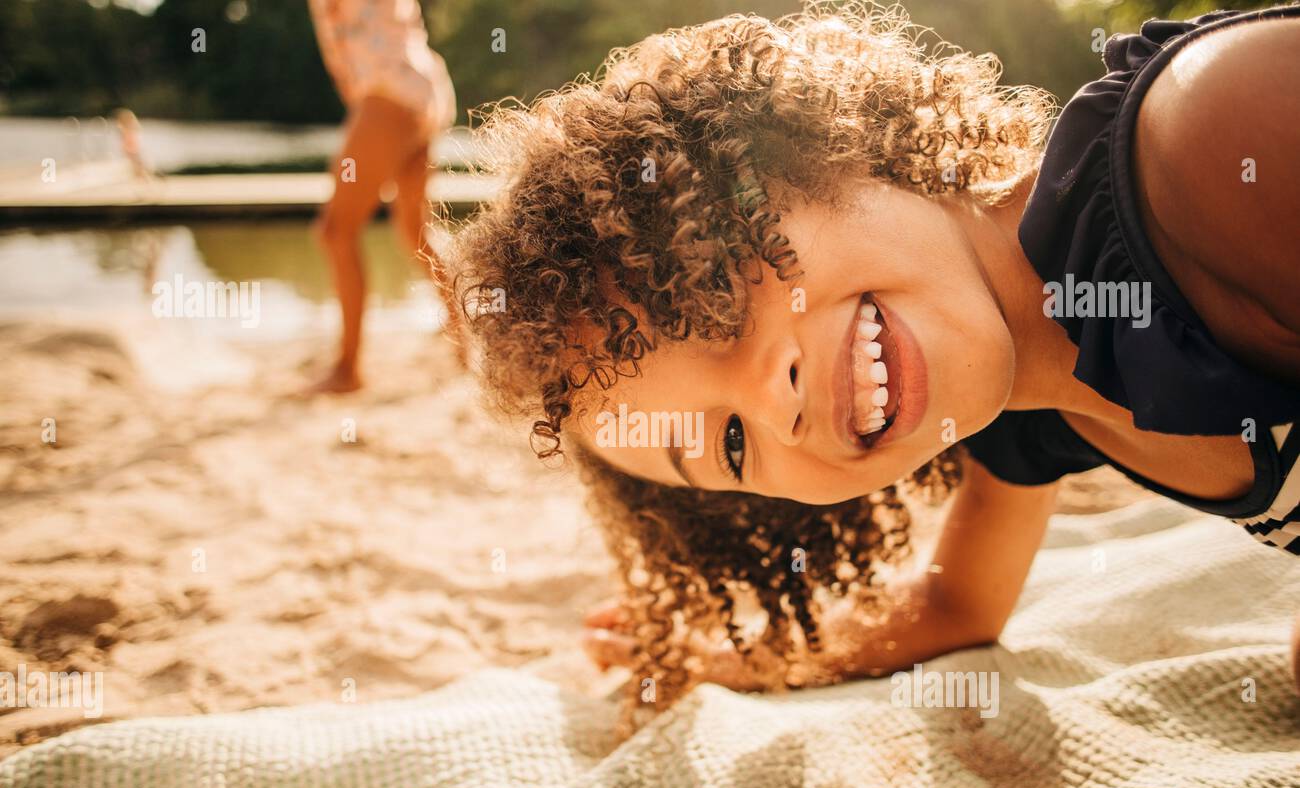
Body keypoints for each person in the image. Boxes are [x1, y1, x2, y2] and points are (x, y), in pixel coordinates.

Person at [444, 4, 1300, 705]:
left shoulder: (1209, 142)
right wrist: (735, 659)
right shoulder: (1030, 412)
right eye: (731, 445)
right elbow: (957, 605)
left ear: (828, 147)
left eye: (721, 302)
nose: (772, 399)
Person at [307, 0, 456, 393]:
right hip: (417, 84)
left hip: (389, 89)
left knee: (335, 232)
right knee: (414, 229)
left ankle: (347, 370)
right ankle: (464, 338)